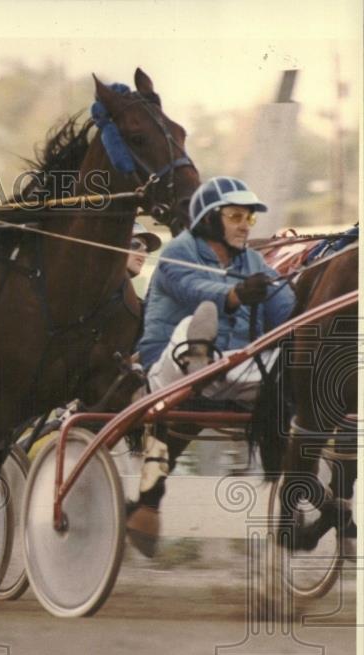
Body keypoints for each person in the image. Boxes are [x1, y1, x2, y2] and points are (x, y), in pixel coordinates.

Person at [127, 176, 296, 554]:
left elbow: (284, 308)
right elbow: (194, 289)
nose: (243, 225)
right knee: (197, 318)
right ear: (208, 218)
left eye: (249, 219)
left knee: (290, 357)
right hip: (170, 368)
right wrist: (234, 295)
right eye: (235, 216)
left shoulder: (253, 260)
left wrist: (305, 311)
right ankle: (201, 363)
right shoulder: (178, 252)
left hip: (233, 368)